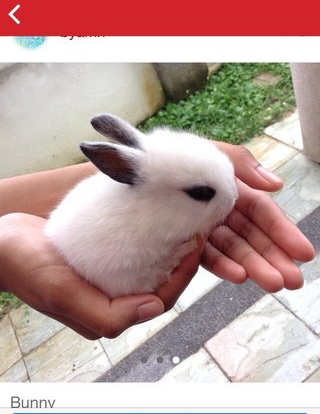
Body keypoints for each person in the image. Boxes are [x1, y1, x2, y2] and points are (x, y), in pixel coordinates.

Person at [0, 142, 315, 340]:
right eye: (201, 193)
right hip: (110, 266)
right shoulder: (144, 217)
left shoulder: (155, 201)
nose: (230, 199)